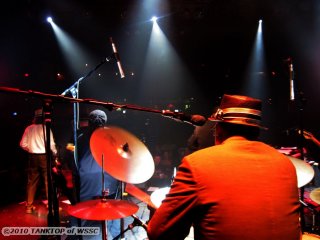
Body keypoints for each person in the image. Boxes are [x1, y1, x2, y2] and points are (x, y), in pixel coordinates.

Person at [147, 94, 301, 240]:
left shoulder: (197, 164)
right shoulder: (285, 164)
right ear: (256, 132)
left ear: (218, 130)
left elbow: (159, 233)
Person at [69, 109, 121, 240]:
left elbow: (70, 157)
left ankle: (81, 235)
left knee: (83, 210)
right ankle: (114, 235)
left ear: (89, 122)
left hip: (87, 180)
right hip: (109, 179)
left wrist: (76, 175)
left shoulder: (78, 137)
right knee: (114, 207)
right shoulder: (112, 137)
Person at [20, 108, 58, 214]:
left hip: (32, 157)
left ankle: (29, 206)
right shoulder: (46, 128)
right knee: (47, 181)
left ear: (35, 118)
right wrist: (55, 154)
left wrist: (31, 149)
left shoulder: (29, 128)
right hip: (44, 156)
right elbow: (51, 145)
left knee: (31, 181)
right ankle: (51, 206)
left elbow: (22, 144)